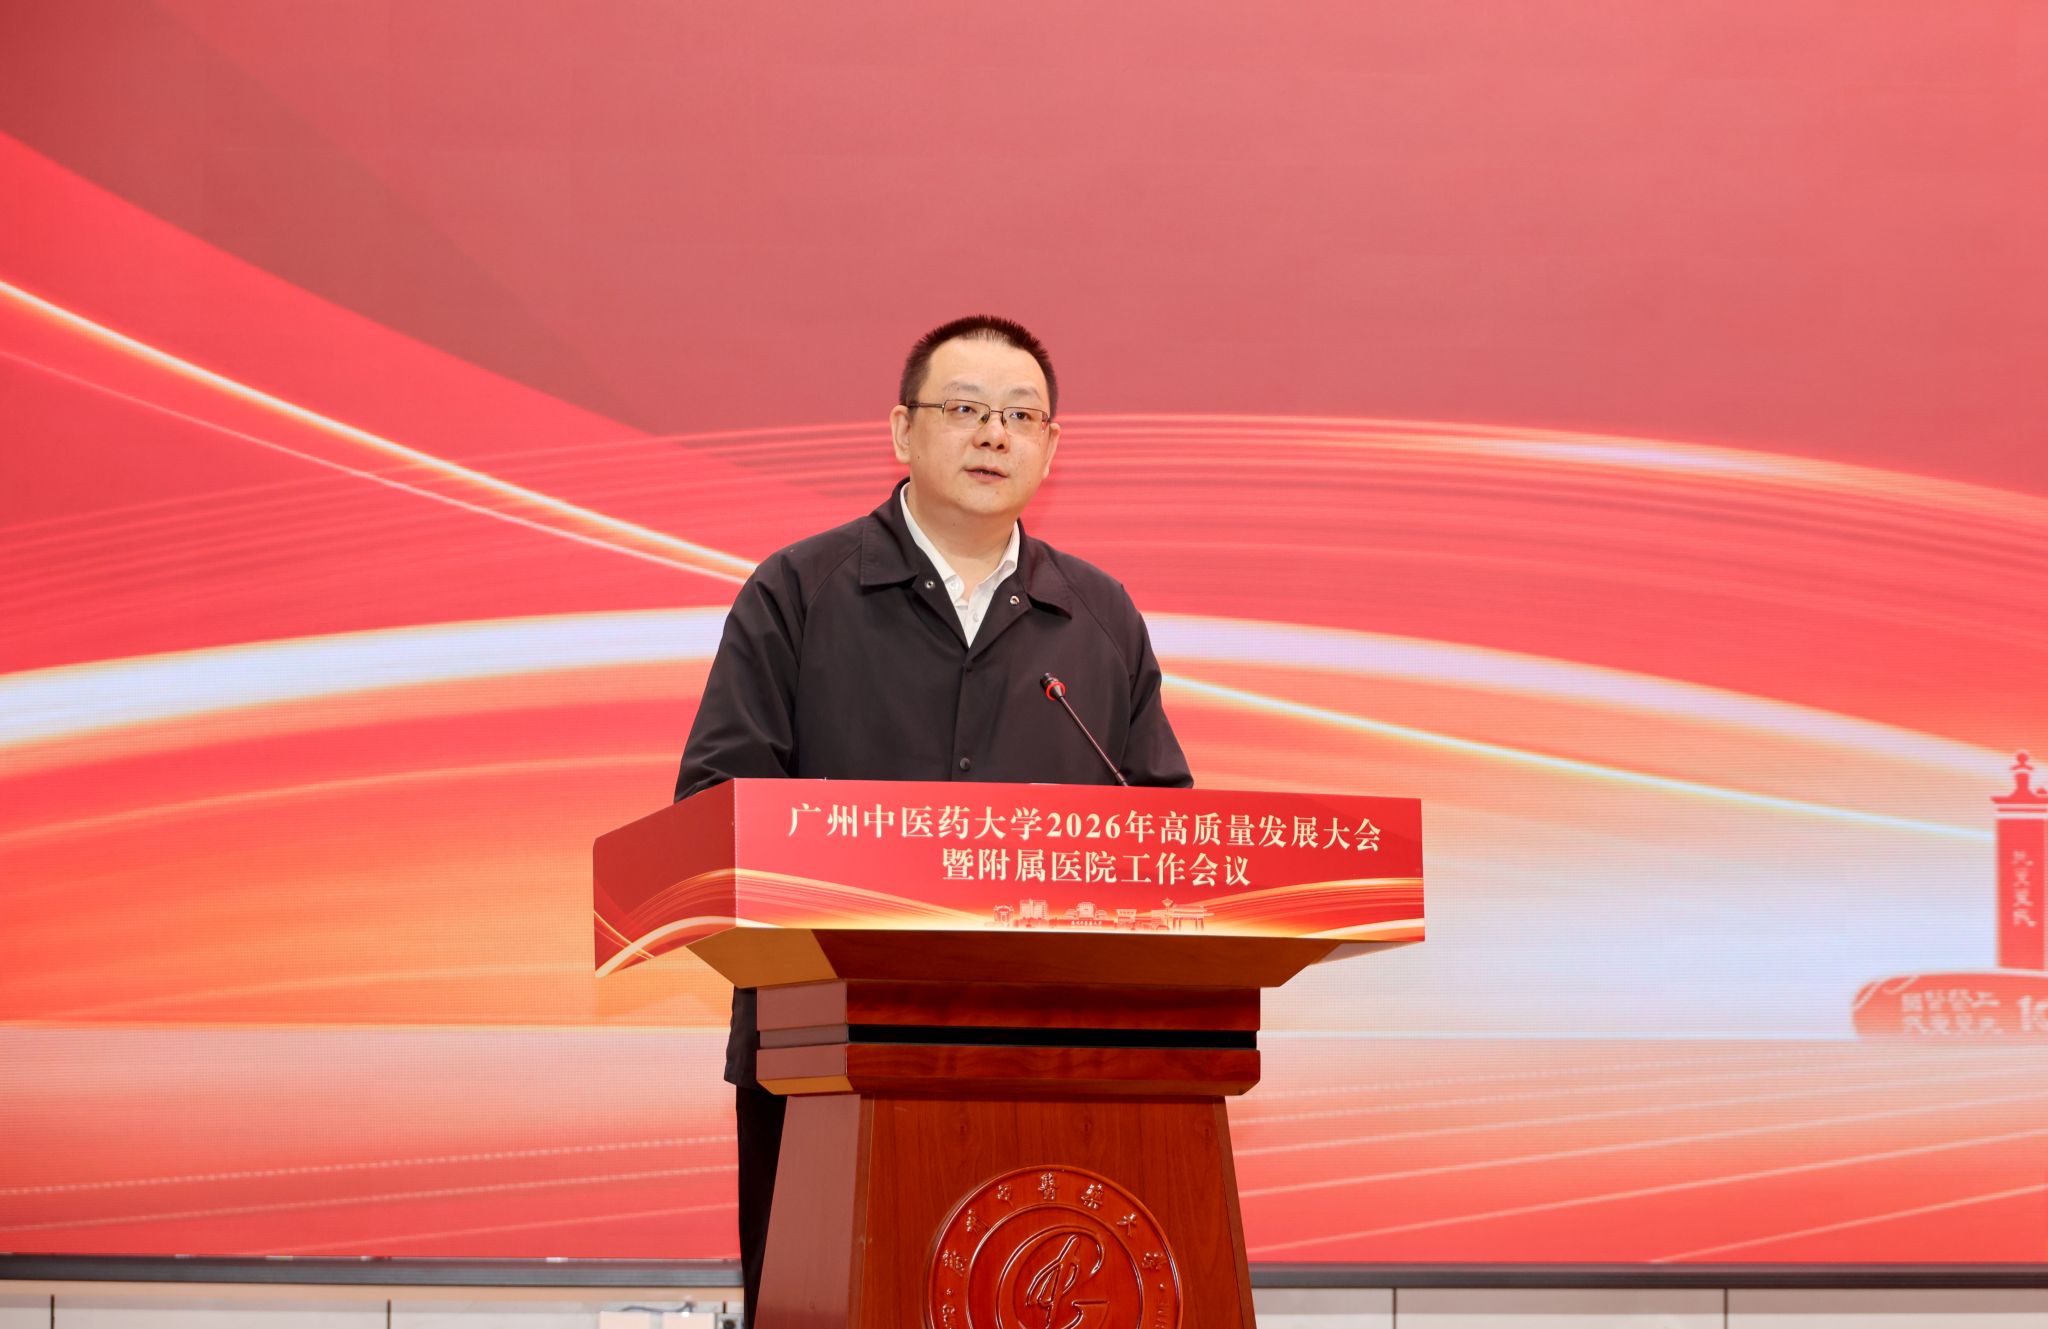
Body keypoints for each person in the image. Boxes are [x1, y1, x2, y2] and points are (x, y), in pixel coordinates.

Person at [673, 314, 1191, 1323]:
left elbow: (1159, 837)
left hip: (1055, 1061)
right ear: (901, 431)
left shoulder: (1099, 618)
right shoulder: (800, 593)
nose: (993, 434)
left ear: (1051, 447)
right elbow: (715, 810)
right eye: (964, 409)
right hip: (825, 1061)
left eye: (1020, 416)